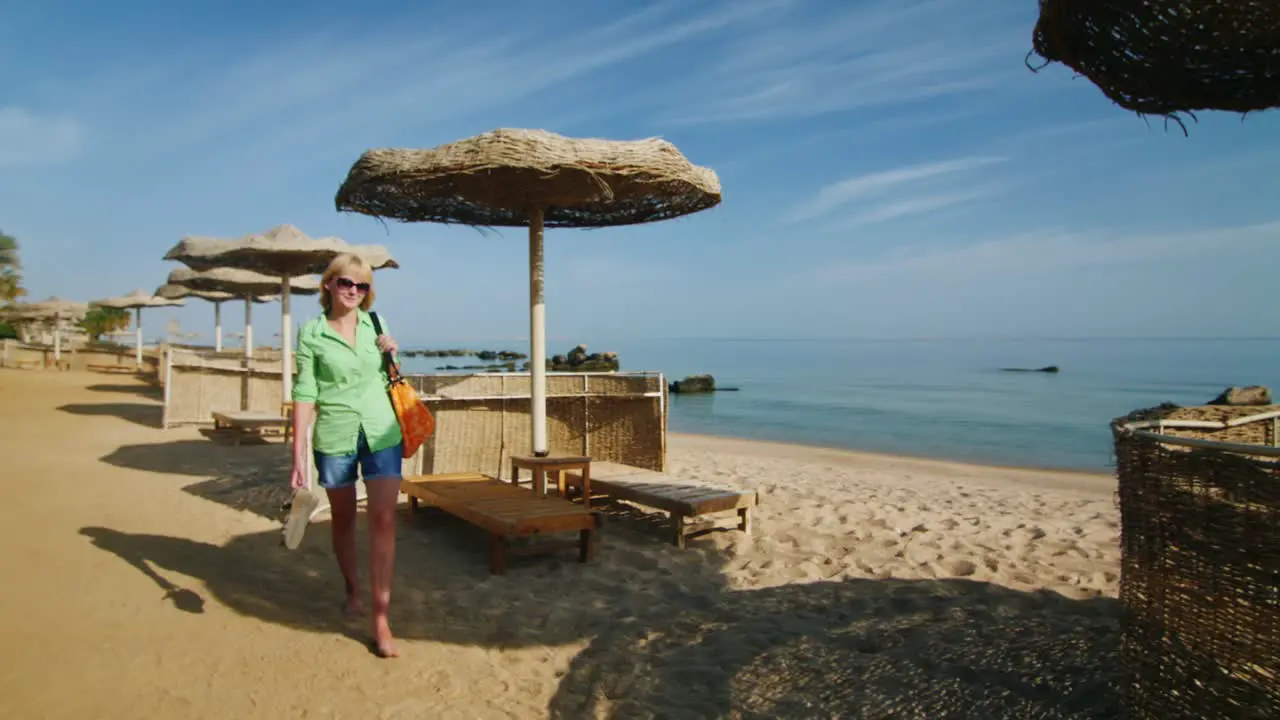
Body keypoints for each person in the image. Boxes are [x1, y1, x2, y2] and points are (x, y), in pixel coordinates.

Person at [290, 252, 403, 658]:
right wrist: (297, 455)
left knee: (385, 519)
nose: (354, 290)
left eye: (362, 285)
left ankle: (380, 619)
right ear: (328, 285)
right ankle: (352, 588)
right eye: (346, 283)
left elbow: (390, 376)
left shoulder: (377, 323)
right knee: (343, 520)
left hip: (382, 430)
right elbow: (305, 393)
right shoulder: (312, 333)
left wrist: (392, 352)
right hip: (335, 435)